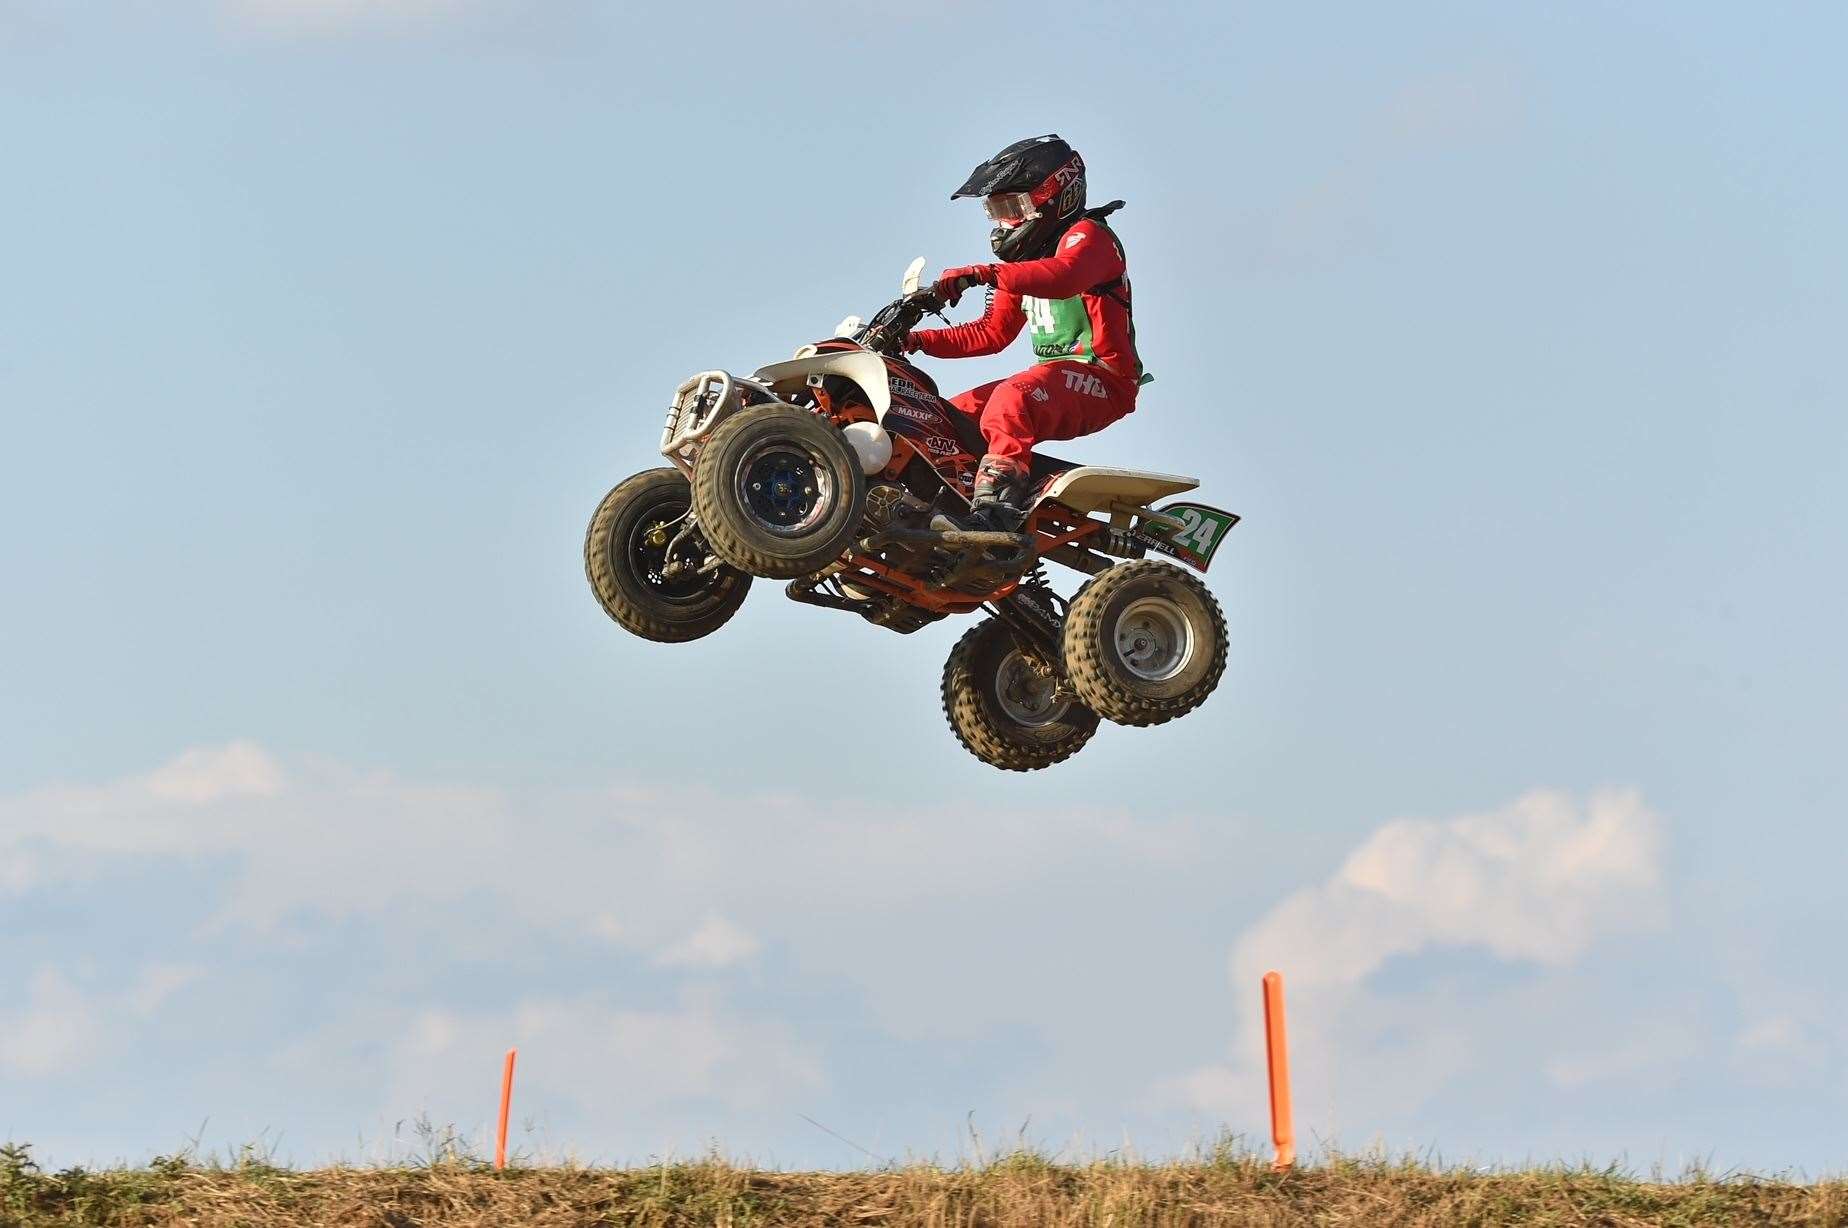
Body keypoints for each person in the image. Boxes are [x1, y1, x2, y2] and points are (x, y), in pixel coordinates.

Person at [905, 134, 1146, 530]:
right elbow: (990, 333)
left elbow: (1065, 277)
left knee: (1012, 397)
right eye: (997, 209)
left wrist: (984, 273)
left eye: (1015, 206)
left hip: (1104, 379)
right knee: (947, 414)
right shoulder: (1025, 263)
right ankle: (935, 506)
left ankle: (996, 506)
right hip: (1057, 379)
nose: (1006, 222)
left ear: (1057, 195)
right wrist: (915, 341)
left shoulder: (1089, 236)